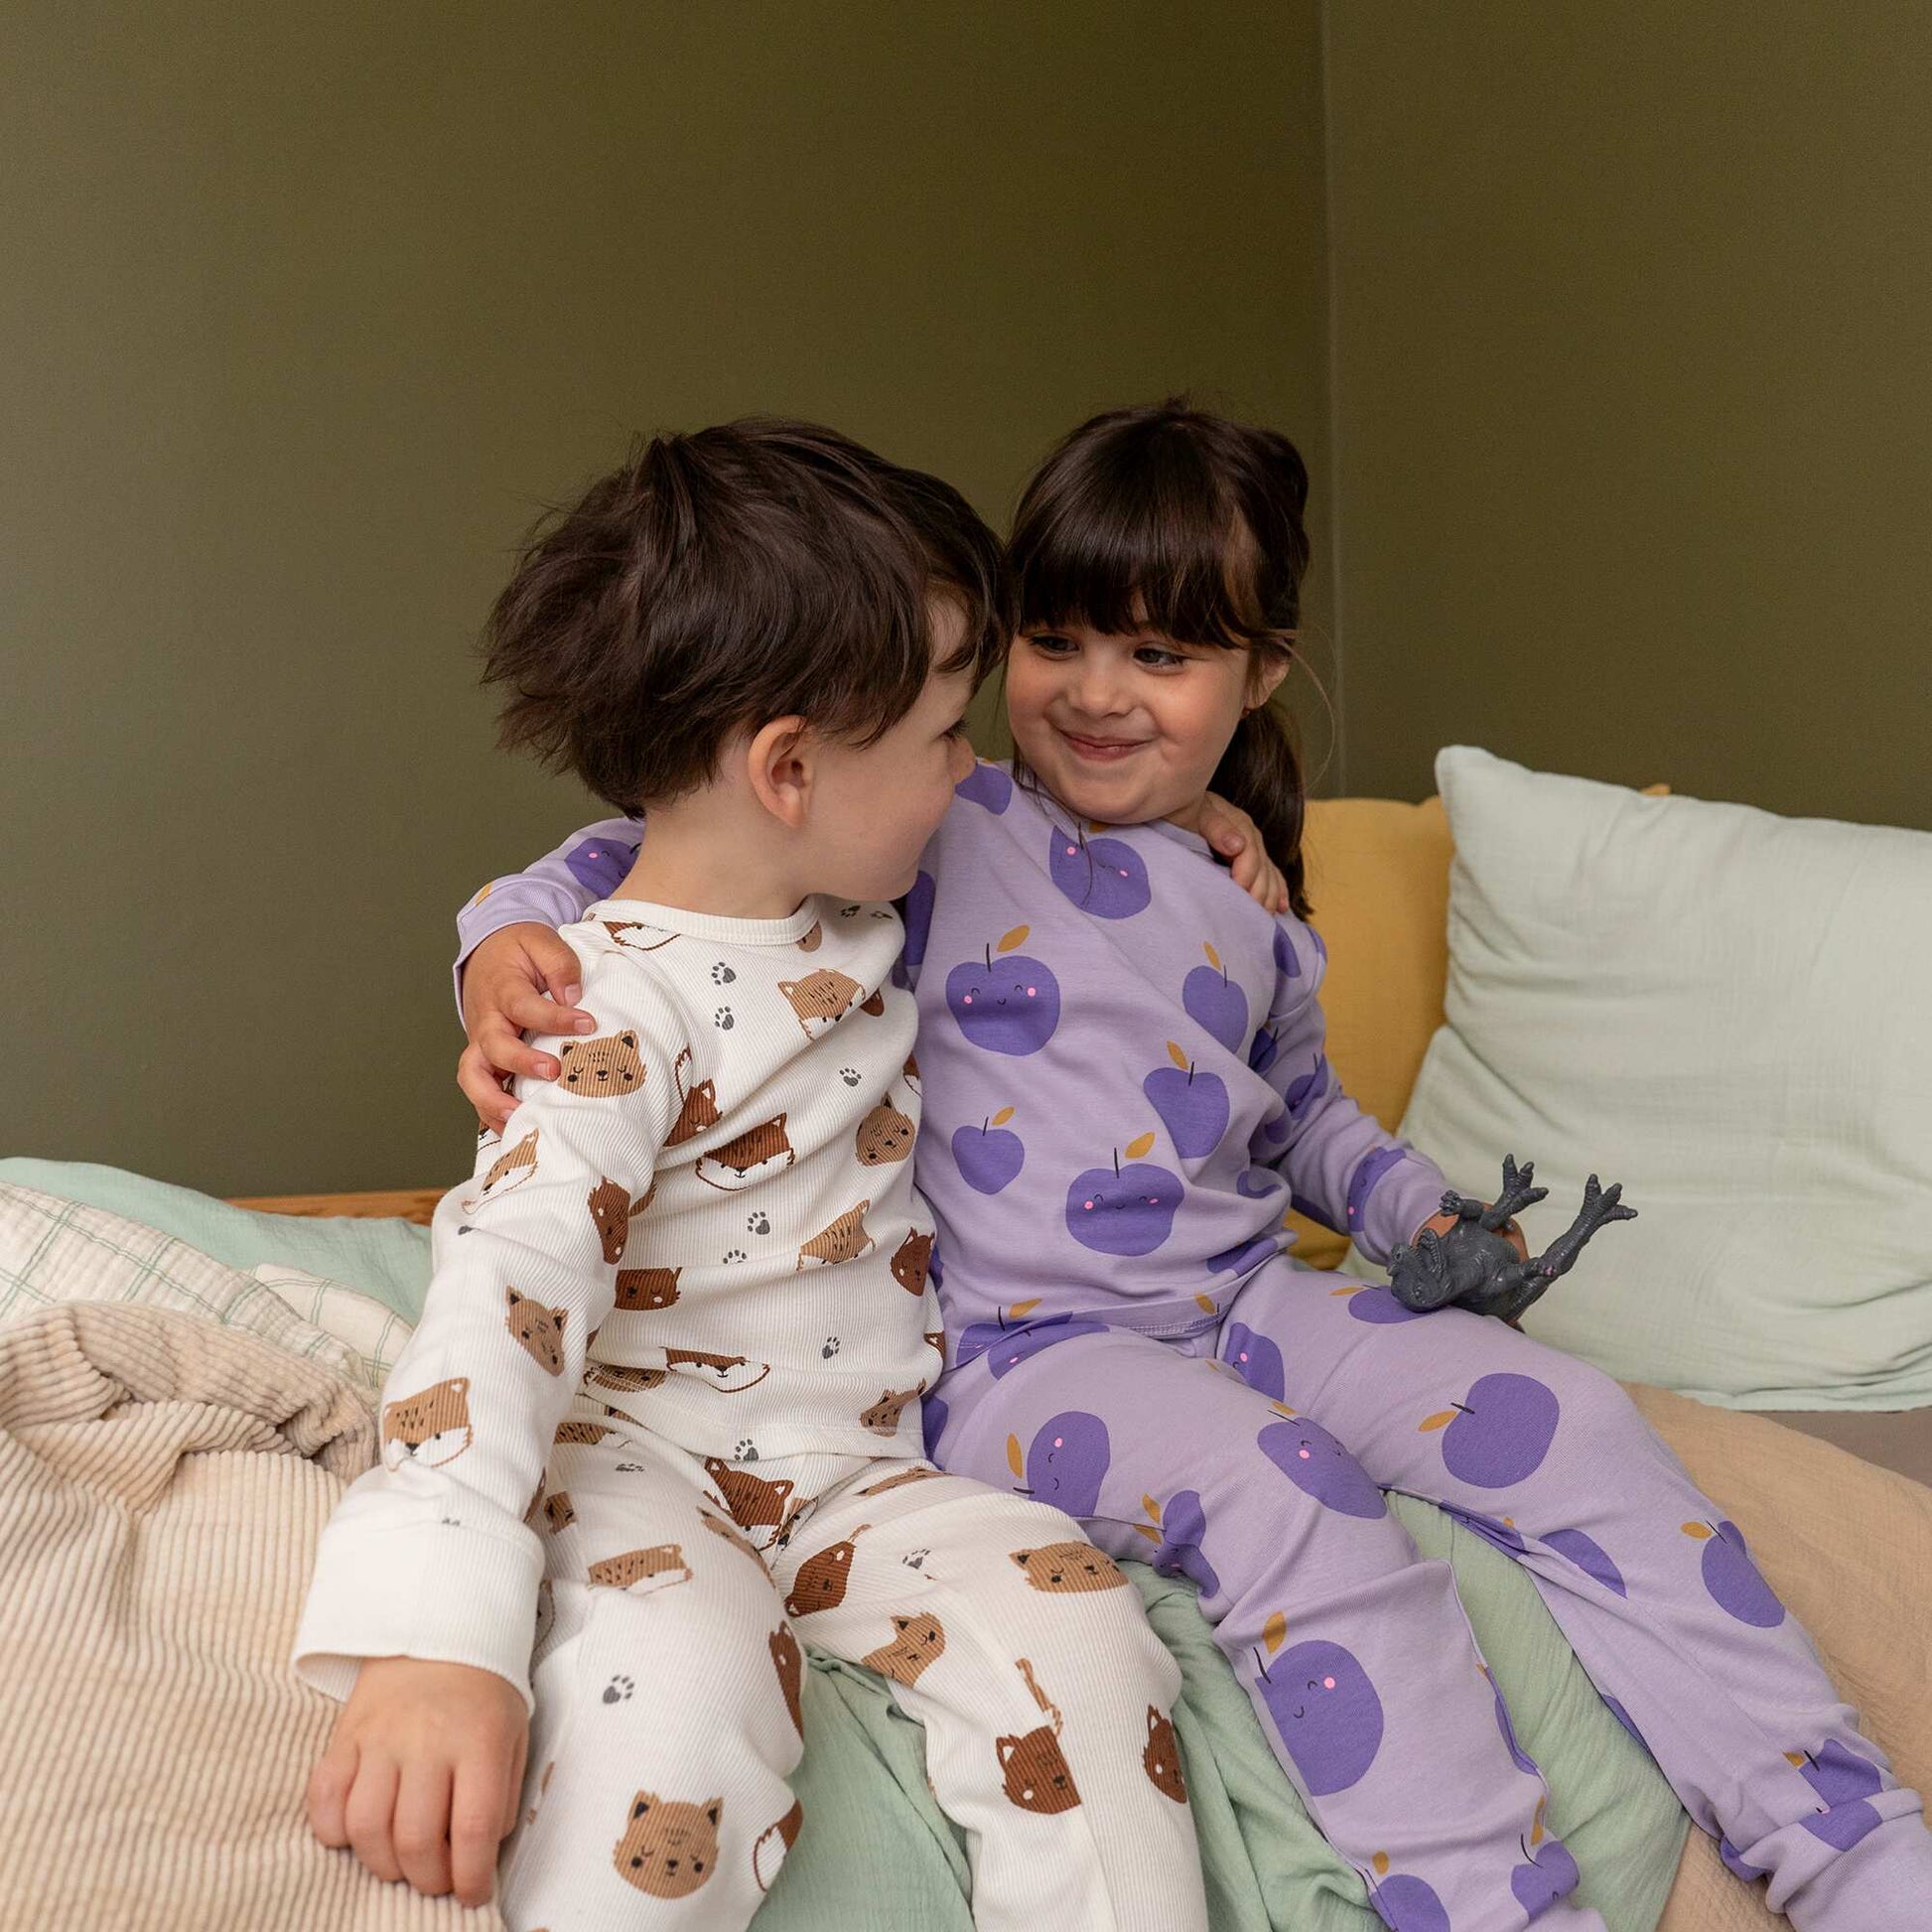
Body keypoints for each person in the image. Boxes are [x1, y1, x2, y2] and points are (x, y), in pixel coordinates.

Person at [458, 401, 1932, 1930]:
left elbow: (1302, 1122)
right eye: (1058, 641)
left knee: (1571, 1414)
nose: (1096, 693)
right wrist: (497, 945)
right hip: (1023, 1352)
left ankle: (1845, 1841)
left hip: (1245, 1296)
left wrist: (1421, 1211)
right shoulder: (930, 816)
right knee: (1286, 1488)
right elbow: (654, 845)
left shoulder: (1248, 898)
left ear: (1260, 671)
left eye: (1159, 655)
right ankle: (1491, 1903)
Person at [295, 419, 1212, 1932]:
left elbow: (1069, 839)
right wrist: (431, 1639)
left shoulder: (861, 911)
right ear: (789, 769)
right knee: (676, 1703)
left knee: (1092, 1643)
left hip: (859, 1468)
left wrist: (1210, 822)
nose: (971, 770)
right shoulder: (602, 1003)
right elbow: (506, 1287)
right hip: (633, 1462)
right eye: (945, 734)